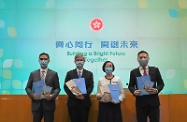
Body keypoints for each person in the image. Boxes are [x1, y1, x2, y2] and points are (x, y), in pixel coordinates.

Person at [128, 50, 165, 122]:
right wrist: (134, 91)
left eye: (145, 57)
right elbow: (130, 86)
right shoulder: (134, 72)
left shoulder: (155, 70)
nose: (143, 59)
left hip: (153, 103)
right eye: (141, 57)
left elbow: (161, 83)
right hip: (140, 103)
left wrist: (156, 90)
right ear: (137, 59)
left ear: (148, 58)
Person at [25, 52, 61, 122]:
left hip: (49, 105)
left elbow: (57, 88)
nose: (43, 61)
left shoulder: (53, 74)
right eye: (41, 59)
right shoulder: (33, 74)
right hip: (36, 105)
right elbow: (27, 88)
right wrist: (32, 95)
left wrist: (52, 96)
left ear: (49, 61)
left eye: (45, 59)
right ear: (38, 60)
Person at [64, 54, 94, 122]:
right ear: (74, 61)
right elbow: (66, 87)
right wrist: (75, 96)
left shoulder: (89, 74)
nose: (79, 61)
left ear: (84, 61)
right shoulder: (69, 73)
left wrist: (83, 95)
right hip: (73, 102)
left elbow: (90, 86)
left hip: (85, 102)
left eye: (81, 60)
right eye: (78, 60)